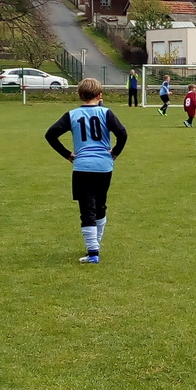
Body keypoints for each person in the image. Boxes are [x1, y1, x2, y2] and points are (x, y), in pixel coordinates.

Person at [45, 78, 128, 264]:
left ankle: (93, 252)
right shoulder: (106, 113)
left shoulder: (72, 115)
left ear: (79, 95)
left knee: (87, 209)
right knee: (100, 205)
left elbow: (50, 135)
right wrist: (115, 152)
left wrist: (67, 154)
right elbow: (122, 134)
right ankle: (95, 246)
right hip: (104, 166)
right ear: (100, 95)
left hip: (82, 167)